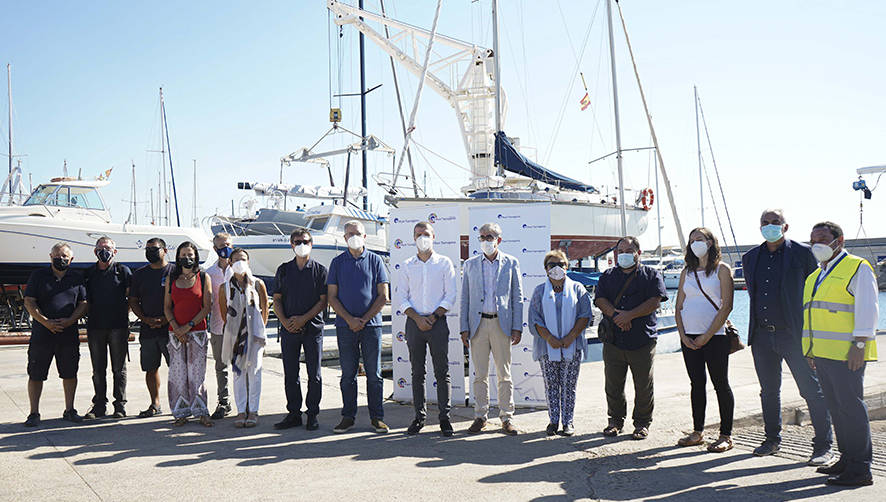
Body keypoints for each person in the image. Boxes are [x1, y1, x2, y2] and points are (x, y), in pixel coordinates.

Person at [742, 209, 833, 464]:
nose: (769, 226)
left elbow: (814, 292)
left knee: (812, 391)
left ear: (785, 226)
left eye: (775, 222)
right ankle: (772, 439)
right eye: (765, 223)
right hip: (762, 337)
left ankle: (824, 445)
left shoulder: (803, 254)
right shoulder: (751, 257)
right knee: (769, 391)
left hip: (794, 336)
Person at [803, 221, 878, 487]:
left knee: (852, 409)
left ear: (840, 241)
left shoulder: (857, 267)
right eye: (813, 240)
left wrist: (859, 345)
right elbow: (813, 318)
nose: (817, 244)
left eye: (823, 238)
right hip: (822, 354)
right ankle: (847, 459)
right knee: (837, 409)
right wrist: (810, 352)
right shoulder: (815, 276)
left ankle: (861, 469)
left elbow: (868, 309)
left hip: (848, 354)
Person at [594, 236, 667, 440]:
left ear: (638, 253)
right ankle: (615, 421)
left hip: (642, 339)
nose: (624, 254)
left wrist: (630, 315)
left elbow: (655, 301)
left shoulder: (651, 274)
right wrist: (618, 317)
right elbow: (600, 299)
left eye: (629, 250)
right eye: (620, 250)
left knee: (643, 385)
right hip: (613, 340)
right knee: (613, 384)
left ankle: (642, 423)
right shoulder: (608, 275)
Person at [460, 222, 524, 435]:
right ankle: (480, 416)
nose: (486, 240)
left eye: (490, 236)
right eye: (482, 236)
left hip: (501, 324)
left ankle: (506, 417)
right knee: (479, 374)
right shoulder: (469, 264)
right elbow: (465, 299)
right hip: (477, 325)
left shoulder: (511, 263)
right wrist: (463, 328)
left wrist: (517, 326)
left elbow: (517, 296)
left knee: (504, 374)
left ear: (499, 239)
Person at [674, 228, 735, 452]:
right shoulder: (686, 272)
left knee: (721, 384)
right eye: (691, 241)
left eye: (699, 239)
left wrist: (706, 336)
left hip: (715, 337)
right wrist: (683, 335)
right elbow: (678, 307)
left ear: (710, 242)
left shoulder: (722, 270)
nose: (694, 244)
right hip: (689, 337)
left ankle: (725, 435)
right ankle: (697, 431)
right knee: (696, 384)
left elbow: (727, 305)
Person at [327, 220, 390, 434]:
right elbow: (332, 297)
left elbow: (383, 296)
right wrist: (350, 320)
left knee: (374, 374)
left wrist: (363, 319)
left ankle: (377, 417)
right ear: (344, 238)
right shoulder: (337, 263)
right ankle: (348, 416)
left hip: (372, 326)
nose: (354, 236)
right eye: (350, 233)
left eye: (358, 233)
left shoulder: (376, 261)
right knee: (348, 375)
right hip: (345, 327)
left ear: (365, 237)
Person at [400, 221, 457, 436]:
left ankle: (445, 418)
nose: (422, 237)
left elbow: (450, 295)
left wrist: (433, 317)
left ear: (434, 237)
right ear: (413, 238)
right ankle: (419, 417)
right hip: (414, 324)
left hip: (437, 323)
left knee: (442, 372)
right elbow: (401, 298)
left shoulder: (444, 263)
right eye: (418, 234)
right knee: (417, 372)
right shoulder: (406, 265)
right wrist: (417, 318)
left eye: (426, 234)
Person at [22, 242, 88, 427]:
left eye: (65, 257)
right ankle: (33, 413)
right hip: (42, 334)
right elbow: (29, 302)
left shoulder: (77, 277)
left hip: (68, 334)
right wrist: (45, 322)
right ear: (50, 257)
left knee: (70, 373)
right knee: (36, 374)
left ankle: (70, 409)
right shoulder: (38, 276)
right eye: (57, 256)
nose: (61, 259)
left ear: (71, 259)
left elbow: (83, 303)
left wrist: (69, 321)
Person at [528, 249, 590, 437]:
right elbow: (535, 319)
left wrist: (571, 336)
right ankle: (553, 421)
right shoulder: (540, 291)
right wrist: (549, 338)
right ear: (546, 269)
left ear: (567, 266)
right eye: (551, 265)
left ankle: (568, 422)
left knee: (569, 385)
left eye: (560, 264)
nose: (556, 268)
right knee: (551, 385)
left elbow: (585, 314)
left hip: (572, 345)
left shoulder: (578, 288)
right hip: (548, 347)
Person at [273, 229, 328, 431]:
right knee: (290, 373)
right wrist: (285, 321)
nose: (301, 244)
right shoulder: (284, 270)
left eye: (305, 241)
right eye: (297, 241)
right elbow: (276, 300)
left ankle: (312, 414)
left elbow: (323, 301)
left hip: (312, 329)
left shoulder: (320, 270)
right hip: (289, 330)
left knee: (314, 374)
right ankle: (294, 414)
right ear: (291, 244)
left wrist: (303, 319)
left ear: (312, 244)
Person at [163, 241, 213, 427]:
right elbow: (167, 307)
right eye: (183, 255)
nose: (187, 258)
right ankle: (180, 412)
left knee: (197, 374)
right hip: (175, 333)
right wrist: (176, 327)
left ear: (196, 256)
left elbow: (207, 306)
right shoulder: (171, 278)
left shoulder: (203, 277)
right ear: (177, 257)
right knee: (178, 374)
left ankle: (201, 411)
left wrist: (189, 326)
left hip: (197, 332)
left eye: (190, 254)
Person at [83, 237, 132, 420]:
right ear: (95, 251)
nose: (105, 251)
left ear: (115, 251)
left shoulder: (122, 271)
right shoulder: (89, 273)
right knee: (98, 369)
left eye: (108, 248)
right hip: (96, 327)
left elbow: (130, 298)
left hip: (118, 327)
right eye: (101, 248)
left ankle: (120, 405)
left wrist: (122, 315)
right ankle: (99, 405)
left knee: (119, 369)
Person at [220, 249, 269, 428]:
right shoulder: (224, 287)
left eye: (243, 259)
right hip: (235, 336)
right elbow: (225, 314)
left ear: (248, 262)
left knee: (255, 373)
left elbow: (264, 309)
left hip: (255, 335)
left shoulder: (258, 284)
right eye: (236, 260)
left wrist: (258, 330)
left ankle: (253, 410)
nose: (240, 262)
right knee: (238, 373)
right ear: (230, 263)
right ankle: (241, 410)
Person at [129, 238, 175, 418]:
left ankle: (179, 403)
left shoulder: (175, 271)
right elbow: (133, 300)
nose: (150, 252)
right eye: (147, 249)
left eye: (154, 249)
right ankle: (155, 403)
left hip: (171, 328)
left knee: (176, 368)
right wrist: (145, 319)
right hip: (148, 329)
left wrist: (167, 319)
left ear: (164, 250)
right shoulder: (140, 274)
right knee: (150, 368)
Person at [205, 232, 233, 419]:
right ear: (215, 249)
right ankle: (224, 401)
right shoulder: (209, 273)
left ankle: (246, 402)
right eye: (221, 246)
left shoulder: (241, 269)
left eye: (228, 244)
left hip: (239, 325)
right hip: (217, 325)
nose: (225, 248)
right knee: (220, 366)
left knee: (242, 366)